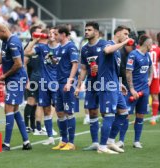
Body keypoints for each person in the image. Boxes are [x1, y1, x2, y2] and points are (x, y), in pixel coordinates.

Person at [0, 23, 32, 151]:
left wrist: (4, 75)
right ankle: (26, 142)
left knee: (8, 108)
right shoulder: (6, 40)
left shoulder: (13, 42)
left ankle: (6, 144)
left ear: (3, 31)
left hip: (17, 79)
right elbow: (3, 55)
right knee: (14, 110)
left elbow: (18, 64)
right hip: (12, 79)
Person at [99, 26, 132, 154]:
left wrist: (119, 84)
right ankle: (102, 147)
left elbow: (112, 70)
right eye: (125, 33)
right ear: (118, 33)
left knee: (124, 113)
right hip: (106, 86)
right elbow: (107, 50)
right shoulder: (109, 43)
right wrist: (124, 42)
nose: (127, 36)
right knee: (109, 115)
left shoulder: (118, 51)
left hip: (114, 85)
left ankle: (110, 141)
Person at [24, 28, 59, 145]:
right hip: (43, 83)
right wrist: (34, 40)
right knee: (46, 109)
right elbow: (26, 52)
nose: (51, 35)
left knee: (61, 110)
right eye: (49, 33)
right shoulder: (42, 48)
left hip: (57, 83)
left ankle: (66, 139)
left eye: (54, 33)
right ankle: (50, 137)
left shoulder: (63, 48)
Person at [75, 22, 104, 151]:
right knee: (92, 112)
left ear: (96, 32)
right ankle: (95, 142)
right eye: (85, 30)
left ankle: (108, 141)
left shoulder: (104, 45)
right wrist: (78, 85)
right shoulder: (85, 49)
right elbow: (83, 69)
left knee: (106, 112)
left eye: (89, 30)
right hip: (91, 84)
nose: (86, 32)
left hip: (104, 84)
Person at [123, 34, 154, 149]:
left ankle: (137, 141)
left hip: (144, 91)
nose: (152, 45)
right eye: (150, 43)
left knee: (140, 115)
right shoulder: (133, 55)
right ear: (145, 43)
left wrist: (150, 79)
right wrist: (131, 89)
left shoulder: (147, 55)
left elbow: (151, 67)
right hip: (133, 91)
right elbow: (128, 72)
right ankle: (121, 140)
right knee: (126, 115)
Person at [52, 25, 79, 151]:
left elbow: (75, 65)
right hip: (58, 83)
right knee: (59, 112)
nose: (54, 36)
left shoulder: (71, 47)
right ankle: (63, 140)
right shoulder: (58, 49)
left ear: (63, 35)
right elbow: (60, 64)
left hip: (66, 84)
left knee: (69, 112)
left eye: (56, 34)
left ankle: (71, 143)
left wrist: (69, 82)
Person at [23, 25, 42, 133]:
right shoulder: (28, 47)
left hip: (39, 79)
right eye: (38, 33)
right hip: (31, 79)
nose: (41, 35)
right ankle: (26, 125)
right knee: (31, 101)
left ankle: (33, 125)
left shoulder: (40, 47)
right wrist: (27, 81)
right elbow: (24, 64)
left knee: (36, 103)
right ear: (33, 35)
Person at [149, 39, 160, 125]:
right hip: (155, 74)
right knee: (155, 95)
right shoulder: (158, 49)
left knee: (139, 95)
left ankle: (138, 117)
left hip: (144, 74)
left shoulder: (140, 47)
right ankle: (154, 118)